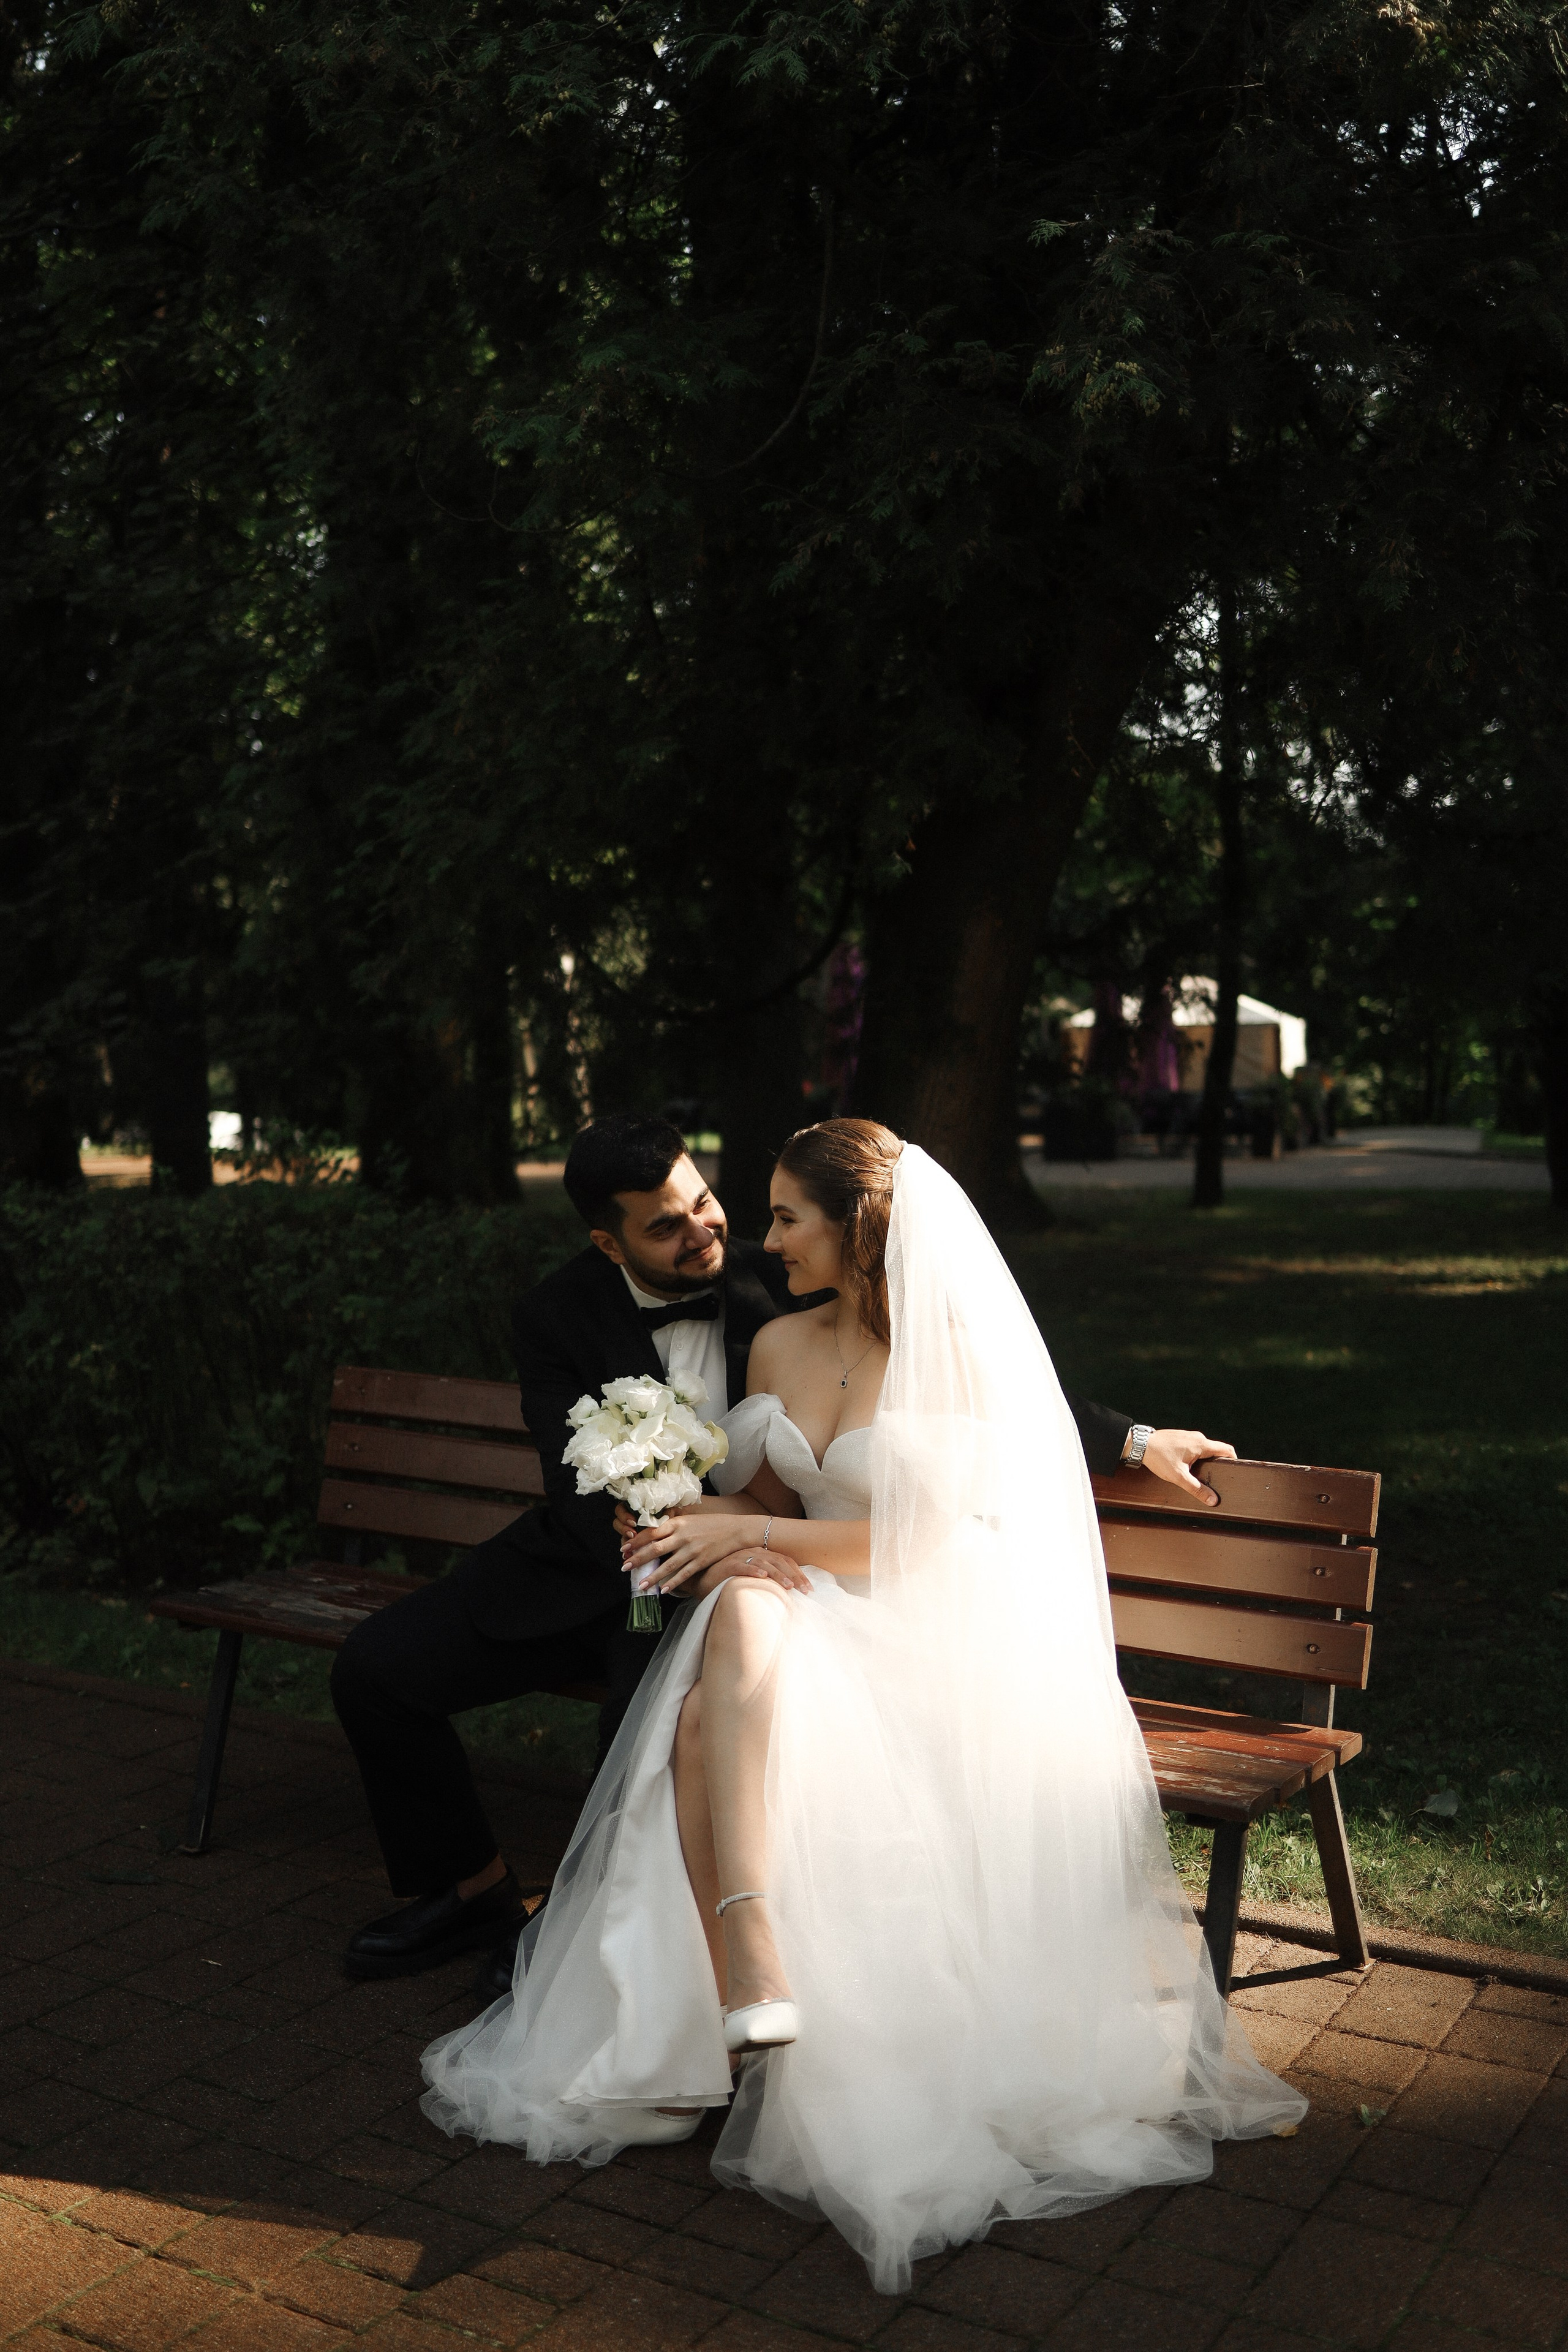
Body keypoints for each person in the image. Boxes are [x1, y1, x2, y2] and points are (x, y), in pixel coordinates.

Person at [419, 1121, 1302, 2292]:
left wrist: (761, 1539)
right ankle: (753, 1969)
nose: (764, 1236)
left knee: (707, 1708)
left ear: (859, 1228)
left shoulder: (954, 1356)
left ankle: (743, 1981)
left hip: (927, 1629)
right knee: (739, 1618)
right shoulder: (779, 1340)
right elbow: (770, 1502)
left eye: (788, 1217)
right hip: (805, 1606)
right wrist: (690, 1522)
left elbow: (915, 1547)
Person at [331, 1113, 1224, 1991]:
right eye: (665, 1227)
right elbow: (568, 1472)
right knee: (376, 1669)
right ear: (610, 1244)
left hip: (760, 1577)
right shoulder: (555, 1314)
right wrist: (641, 1523)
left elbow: (979, 1374)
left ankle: (586, 1934)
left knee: (652, 1708)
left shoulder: (787, 1275)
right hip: (606, 1567)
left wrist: (1135, 1438)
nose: (704, 1232)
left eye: (704, 1203)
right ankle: (473, 1889)